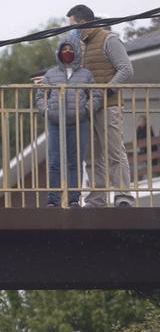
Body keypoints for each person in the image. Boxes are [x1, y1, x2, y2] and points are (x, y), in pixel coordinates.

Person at [68, 5, 135, 208]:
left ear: (83, 23)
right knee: (92, 155)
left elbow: (126, 69)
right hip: (89, 107)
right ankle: (96, 198)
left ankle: (123, 196)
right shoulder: (81, 44)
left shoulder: (109, 39)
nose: (70, 30)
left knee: (114, 151)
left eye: (72, 25)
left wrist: (106, 90)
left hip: (108, 105)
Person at [36, 37, 99, 208]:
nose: (67, 53)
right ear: (59, 52)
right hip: (55, 123)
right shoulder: (50, 74)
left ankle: (74, 198)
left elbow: (96, 95)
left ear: (77, 51)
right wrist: (46, 111)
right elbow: (40, 96)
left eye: (70, 49)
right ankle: (53, 199)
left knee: (75, 161)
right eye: (64, 49)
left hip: (79, 123)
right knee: (55, 161)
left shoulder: (86, 74)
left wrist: (86, 110)